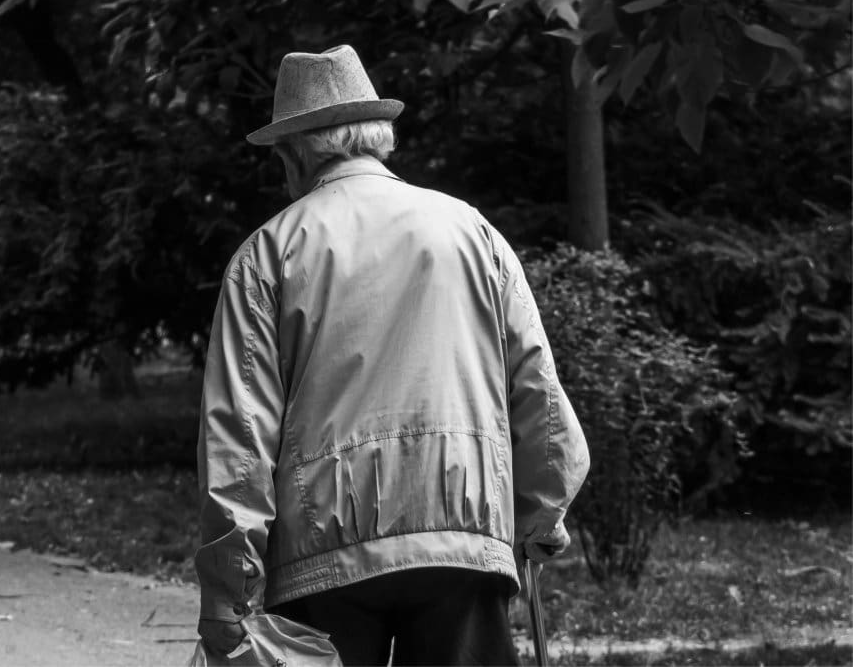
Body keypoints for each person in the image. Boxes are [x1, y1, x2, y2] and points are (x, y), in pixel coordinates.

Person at [194, 45, 590, 666]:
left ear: (295, 155)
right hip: (463, 541)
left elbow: (240, 437)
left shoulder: (267, 254)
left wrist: (230, 586)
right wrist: (544, 511)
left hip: (322, 555)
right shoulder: (473, 232)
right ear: (376, 138)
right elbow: (534, 382)